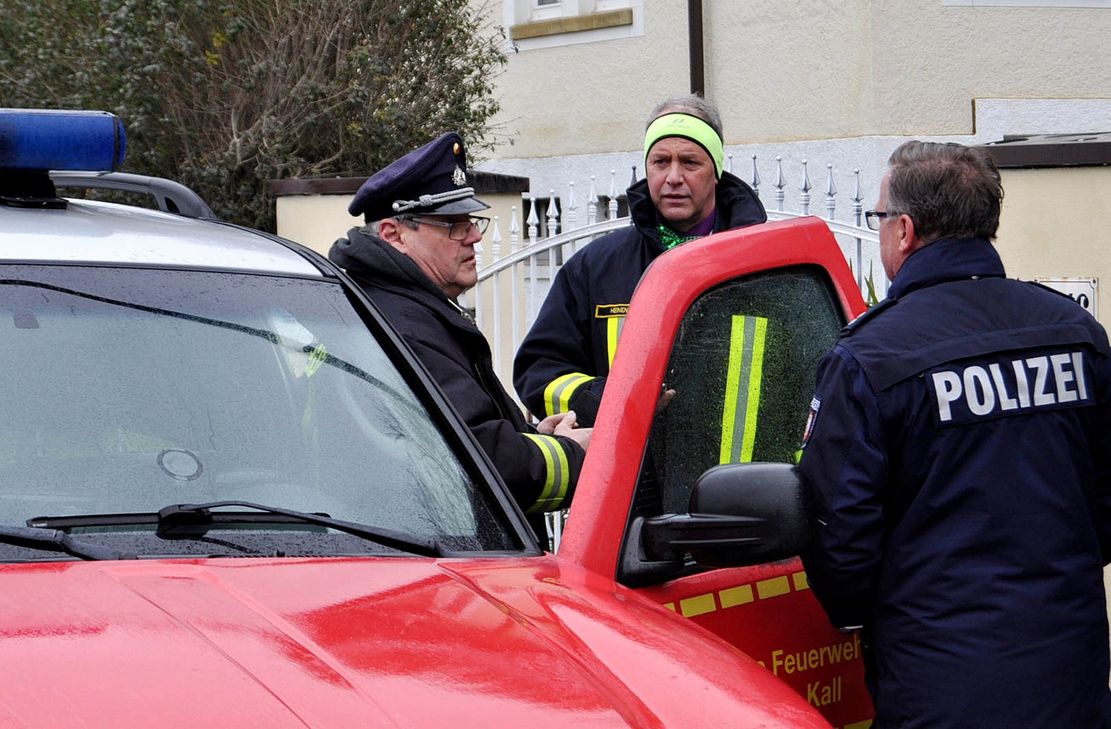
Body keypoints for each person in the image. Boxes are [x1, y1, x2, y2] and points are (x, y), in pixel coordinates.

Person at [797, 140, 1111, 728]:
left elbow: (839, 545)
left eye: (880, 217)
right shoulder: (1077, 333)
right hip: (1072, 675)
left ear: (906, 230)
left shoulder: (869, 357)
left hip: (939, 685)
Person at [329, 132, 591, 539]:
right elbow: (481, 461)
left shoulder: (401, 307)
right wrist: (576, 454)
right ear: (393, 234)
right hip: (444, 559)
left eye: (471, 221)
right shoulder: (404, 325)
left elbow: (450, 433)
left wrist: (533, 438)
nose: (474, 236)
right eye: (452, 224)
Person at [513, 94, 767, 426]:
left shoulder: (763, 263)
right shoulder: (595, 268)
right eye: (660, 161)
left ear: (716, 170)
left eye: (690, 162)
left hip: (746, 476)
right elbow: (537, 371)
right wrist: (605, 399)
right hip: (630, 476)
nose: (673, 177)